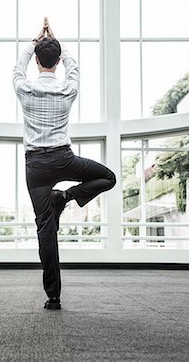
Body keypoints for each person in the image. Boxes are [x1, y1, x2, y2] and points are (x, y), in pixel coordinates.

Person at [13, 17, 116, 310]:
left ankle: (54, 296)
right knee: (108, 177)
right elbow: (74, 68)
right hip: (63, 158)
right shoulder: (68, 90)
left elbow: (18, 69)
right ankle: (67, 197)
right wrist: (59, 46)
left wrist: (34, 44)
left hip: (36, 167)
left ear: (36, 61)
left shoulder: (25, 89)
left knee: (46, 229)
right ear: (57, 61)